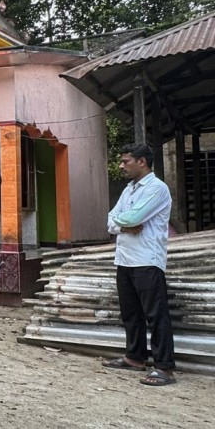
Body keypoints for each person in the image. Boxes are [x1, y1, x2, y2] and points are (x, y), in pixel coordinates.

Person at [102, 143, 175, 386]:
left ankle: (164, 367)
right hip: (125, 259)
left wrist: (122, 222)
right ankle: (135, 357)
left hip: (147, 260)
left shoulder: (157, 188)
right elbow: (110, 219)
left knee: (156, 315)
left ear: (142, 161)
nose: (121, 166)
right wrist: (123, 224)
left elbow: (132, 217)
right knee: (131, 313)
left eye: (126, 161)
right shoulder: (129, 190)